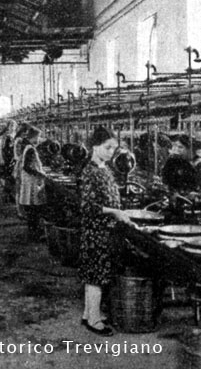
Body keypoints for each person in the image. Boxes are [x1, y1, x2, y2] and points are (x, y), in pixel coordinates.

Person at [78, 126, 133, 337]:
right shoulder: (90, 171)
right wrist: (115, 212)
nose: (112, 152)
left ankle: (88, 314)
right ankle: (94, 321)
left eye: (114, 149)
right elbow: (88, 206)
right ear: (95, 146)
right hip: (96, 231)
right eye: (108, 147)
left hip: (105, 231)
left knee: (94, 275)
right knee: (96, 276)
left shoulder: (103, 168)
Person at [19, 126, 48, 241]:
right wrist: (40, 174)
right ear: (34, 137)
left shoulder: (27, 147)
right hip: (31, 182)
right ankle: (34, 234)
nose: (39, 139)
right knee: (33, 209)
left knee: (31, 210)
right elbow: (26, 167)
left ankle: (33, 233)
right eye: (38, 136)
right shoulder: (30, 149)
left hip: (30, 181)